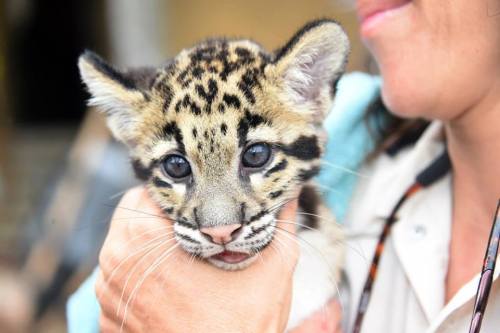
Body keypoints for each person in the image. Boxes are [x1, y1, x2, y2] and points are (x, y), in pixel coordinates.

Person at [67, 0, 500, 331]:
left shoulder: (339, 137)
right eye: (178, 167)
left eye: (255, 156)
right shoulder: (358, 133)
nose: (219, 222)